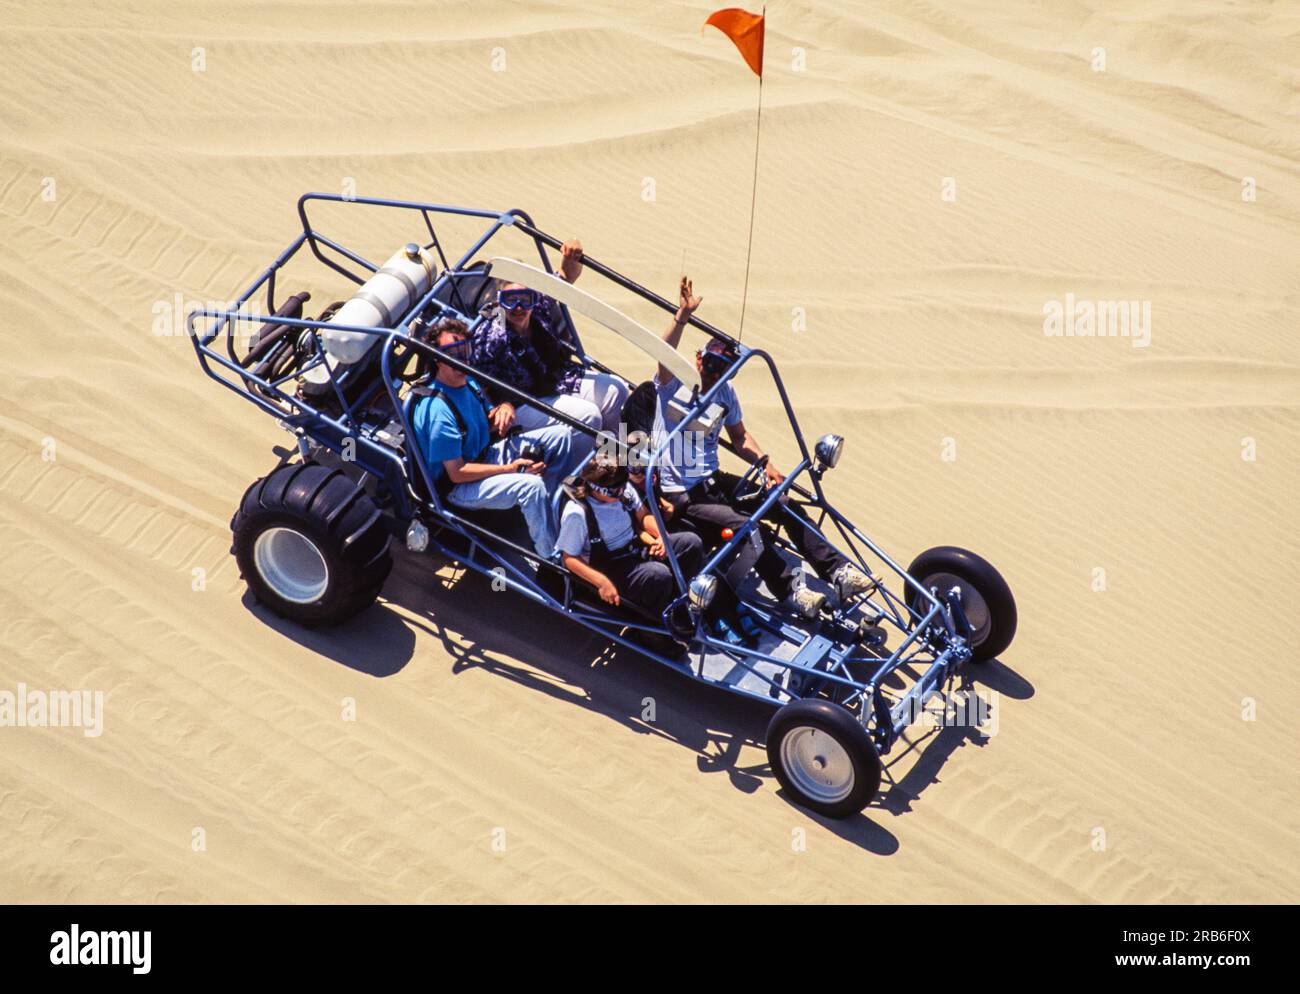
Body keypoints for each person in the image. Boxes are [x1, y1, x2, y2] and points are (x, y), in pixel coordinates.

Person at [648, 277, 877, 619]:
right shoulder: (674, 384)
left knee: (782, 501)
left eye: (722, 369)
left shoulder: (725, 394)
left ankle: (838, 572)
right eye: (709, 364)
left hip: (713, 480)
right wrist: (682, 316)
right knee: (746, 525)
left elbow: (739, 437)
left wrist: (766, 464)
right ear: (698, 359)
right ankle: (791, 591)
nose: (713, 374)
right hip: (682, 492)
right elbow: (662, 352)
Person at [408, 318, 572, 559]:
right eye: (452, 352)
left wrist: (505, 407)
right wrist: (512, 469)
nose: (461, 358)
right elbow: (457, 473)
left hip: (486, 454)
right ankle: (552, 560)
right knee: (531, 486)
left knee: (561, 436)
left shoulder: (468, 381)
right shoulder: (437, 411)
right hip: (459, 486)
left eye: (465, 350)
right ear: (436, 358)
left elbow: (487, 420)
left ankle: (547, 514)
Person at [471, 239, 629, 459]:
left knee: (616, 389)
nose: (519, 308)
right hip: (522, 402)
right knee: (588, 416)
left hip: (557, 381)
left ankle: (612, 460)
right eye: (511, 300)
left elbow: (565, 276)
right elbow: (476, 380)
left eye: (525, 299)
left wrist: (571, 254)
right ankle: (578, 475)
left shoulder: (538, 306)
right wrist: (501, 404)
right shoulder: (490, 336)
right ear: (499, 301)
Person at [556, 453, 700, 639]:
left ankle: (687, 606)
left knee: (690, 543)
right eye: (617, 490)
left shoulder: (622, 489)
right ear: (598, 489)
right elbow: (569, 559)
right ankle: (658, 631)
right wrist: (602, 582)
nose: (624, 491)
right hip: (609, 567)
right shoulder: (577, 514)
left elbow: (644, 515)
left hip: (635, 549)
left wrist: (662, 537)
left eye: (624, 486)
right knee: (658, 575)